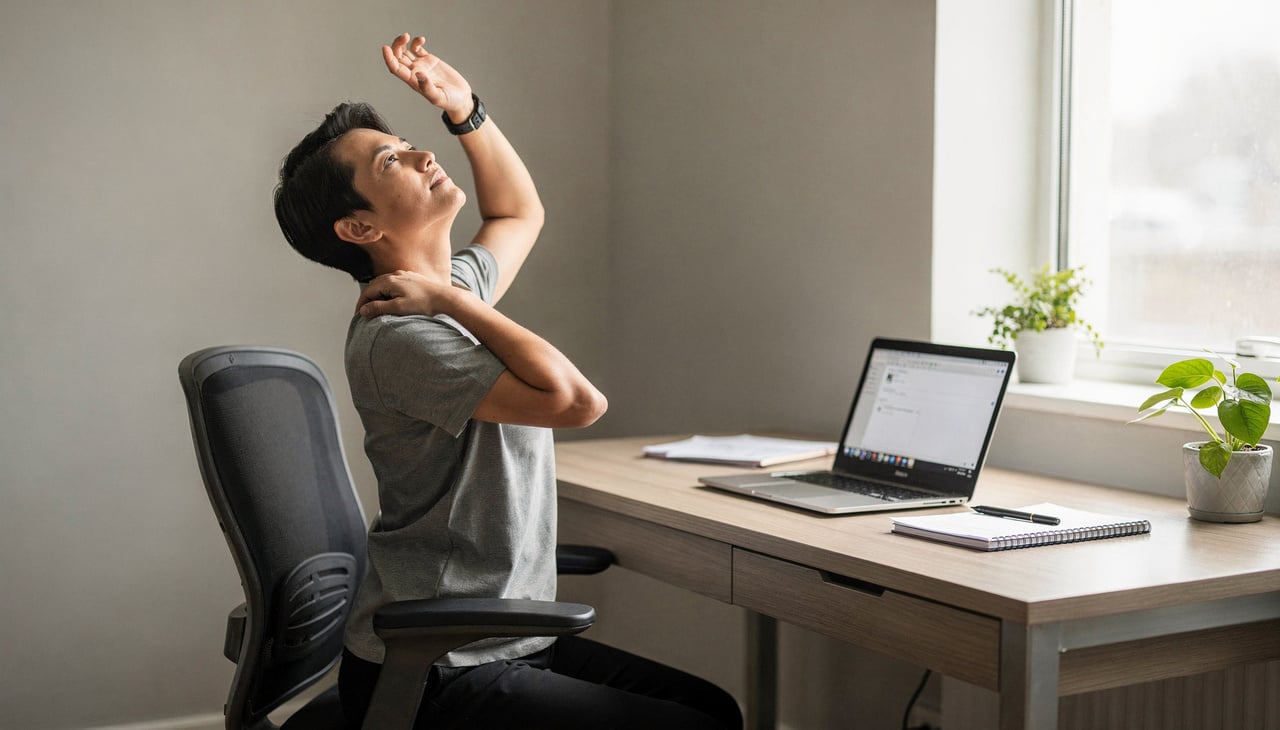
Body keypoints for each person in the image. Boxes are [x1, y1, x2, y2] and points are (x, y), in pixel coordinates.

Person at [273, 32, 743, 730]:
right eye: (390, 160)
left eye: (406, 142)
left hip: (499, 640)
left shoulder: (443, 294)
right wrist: (458, 303)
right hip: (436, 670)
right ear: (359, 225)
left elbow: (519, 213)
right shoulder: (404, 334)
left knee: (712, 709)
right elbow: (578, 402)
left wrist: (463, 109)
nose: (422, 155)